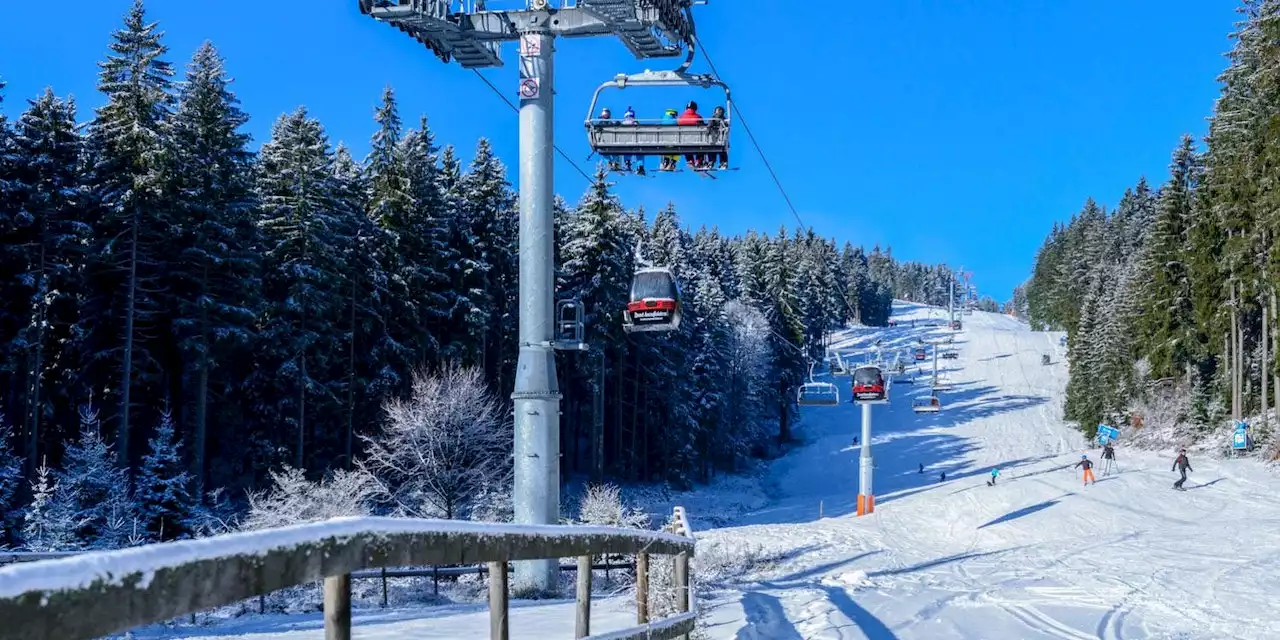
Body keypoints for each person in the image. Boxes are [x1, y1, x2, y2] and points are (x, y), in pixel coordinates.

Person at [676, 100, 705, 169]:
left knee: (686, 147)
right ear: (695, 108)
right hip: (697, 140)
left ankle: (690, 160)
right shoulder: (698, 117)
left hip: (685, 140)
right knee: (701, 146)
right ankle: (699, 160)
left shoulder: (680, 118)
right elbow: (703, 127)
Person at [620, 107, 645, 175]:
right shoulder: (635, 122)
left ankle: (627, 164)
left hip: (627, 142)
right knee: (639, 153)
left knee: (627, 151)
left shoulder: (623, 123)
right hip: (636, 142)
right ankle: (640, 167)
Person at [707, 105, 728, 169]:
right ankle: (723, 162)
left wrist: (708, 131)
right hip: (721, 138)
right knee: (722, 150)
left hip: (714, 138)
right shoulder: (724, 119)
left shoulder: (713, 118)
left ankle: (711, 162)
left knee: (712, 150)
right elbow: (726, 126)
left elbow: (709, 125)